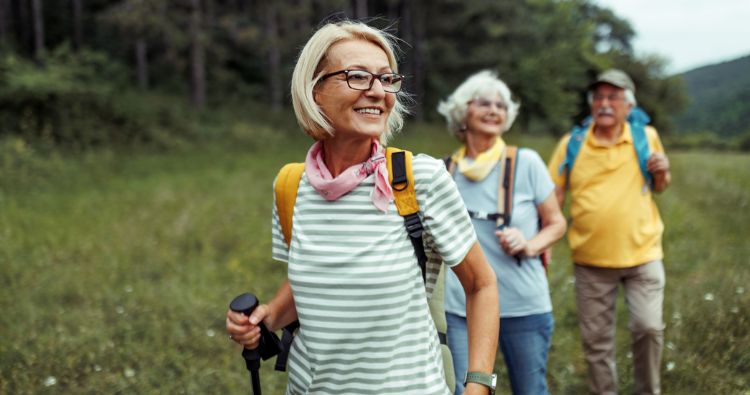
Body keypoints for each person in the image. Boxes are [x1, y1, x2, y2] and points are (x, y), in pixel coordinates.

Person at [225, 21, 499, 395]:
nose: (377, 92)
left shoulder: (421, 179)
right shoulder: (291, 185)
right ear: (315, 90)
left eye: (386, 79)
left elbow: (481, 285)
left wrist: (479, 385)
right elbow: (313, 282)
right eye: (357, 76)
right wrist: (267, 317)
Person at [437, 70, 567, 395]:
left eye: (501, 105)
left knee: (529, 389)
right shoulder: (442, 171)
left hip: (522, 305)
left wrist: (529, 243)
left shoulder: (527, 163)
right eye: (484, 103)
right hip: (460, 307)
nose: (494, 110)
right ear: (462, 112)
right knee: (465, 389)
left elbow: (557, 223)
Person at [547, 69, 671, 395]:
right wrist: (543, 239)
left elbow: (659, 186)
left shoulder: (646, 137)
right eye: (599, 97)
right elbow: (553, 196)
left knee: (648, 327)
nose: (604, 104)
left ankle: (649, 390)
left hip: (643, 253)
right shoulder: (572, 143)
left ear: (628, 106)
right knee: (596, 342)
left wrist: (663, 172)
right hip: (591, 261)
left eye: (613, 98)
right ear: (591, 104)